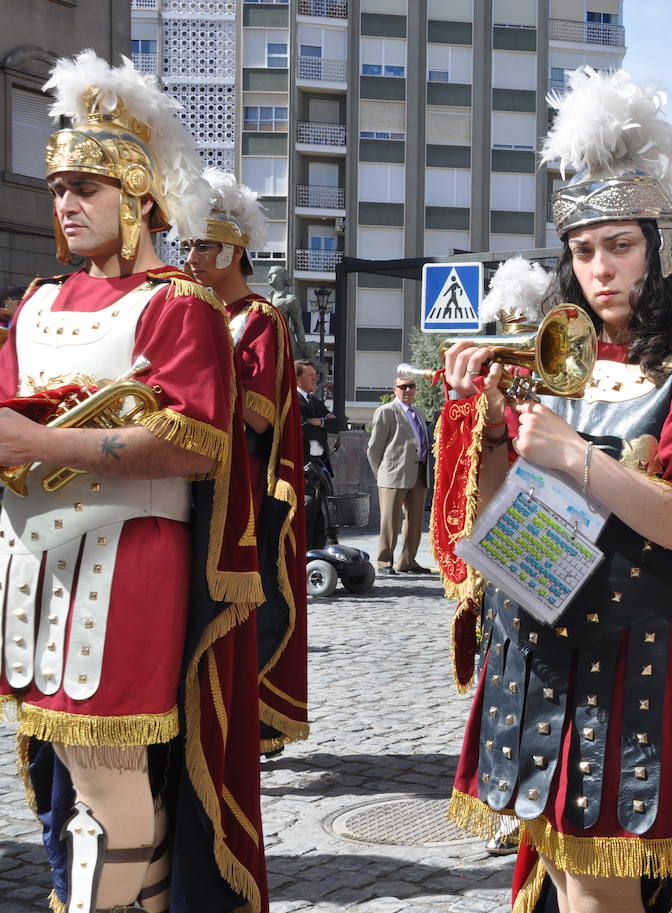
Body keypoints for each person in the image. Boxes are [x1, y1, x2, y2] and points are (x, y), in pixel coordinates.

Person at [435, 68, 672, 913]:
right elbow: (490, 521)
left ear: (661, 248)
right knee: (561, 879)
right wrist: (481, 432)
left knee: (601, 888)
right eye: (584, 250)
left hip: (640, 656)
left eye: (620, 246)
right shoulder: (550, 367)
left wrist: (571, 455)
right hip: (533, 643)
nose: (599, 268)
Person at [0, 52, 266, 913]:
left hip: (129, 561)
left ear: (139, 197)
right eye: (59, 188)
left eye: (87, 187)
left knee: (113, 787)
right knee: (76, 778)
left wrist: (42, 438)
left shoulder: (178, 302)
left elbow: (193, 441)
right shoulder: (37, 300)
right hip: (31, 565)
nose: (67, 203)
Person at [182, 169, 309, 757]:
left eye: (203, 245)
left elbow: (259, 415)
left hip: (250, 489)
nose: (191, 257)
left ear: (234, 250)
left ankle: (255, 717)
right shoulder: (194, 315)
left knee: (255, 600)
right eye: (186, 245)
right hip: (199, 482)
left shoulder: (258, 318)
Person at [368, 372, 432, 574]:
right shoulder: (386, 411)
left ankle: (408, 561)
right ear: (394, 389)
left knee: (414, 522)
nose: (407, 390)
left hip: (419, 474)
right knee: (390, 521)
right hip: (393, 475)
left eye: (411, 386)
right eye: (403, 387)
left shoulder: (418, 412)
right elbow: (374, 448)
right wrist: (381, 474)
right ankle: (384, 562)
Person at [297, 358, 341, 544]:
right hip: (304, 468)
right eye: (311, 376)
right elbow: (304, 428)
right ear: (298, 379)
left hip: (320, 467)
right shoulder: (294, 400)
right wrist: (322, 422)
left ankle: (318, 553)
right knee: (309, 511)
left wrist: (320, 421)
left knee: (323, 514)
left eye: (316, 376)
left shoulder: (315, 402)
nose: (316, 380)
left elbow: (337, 424)